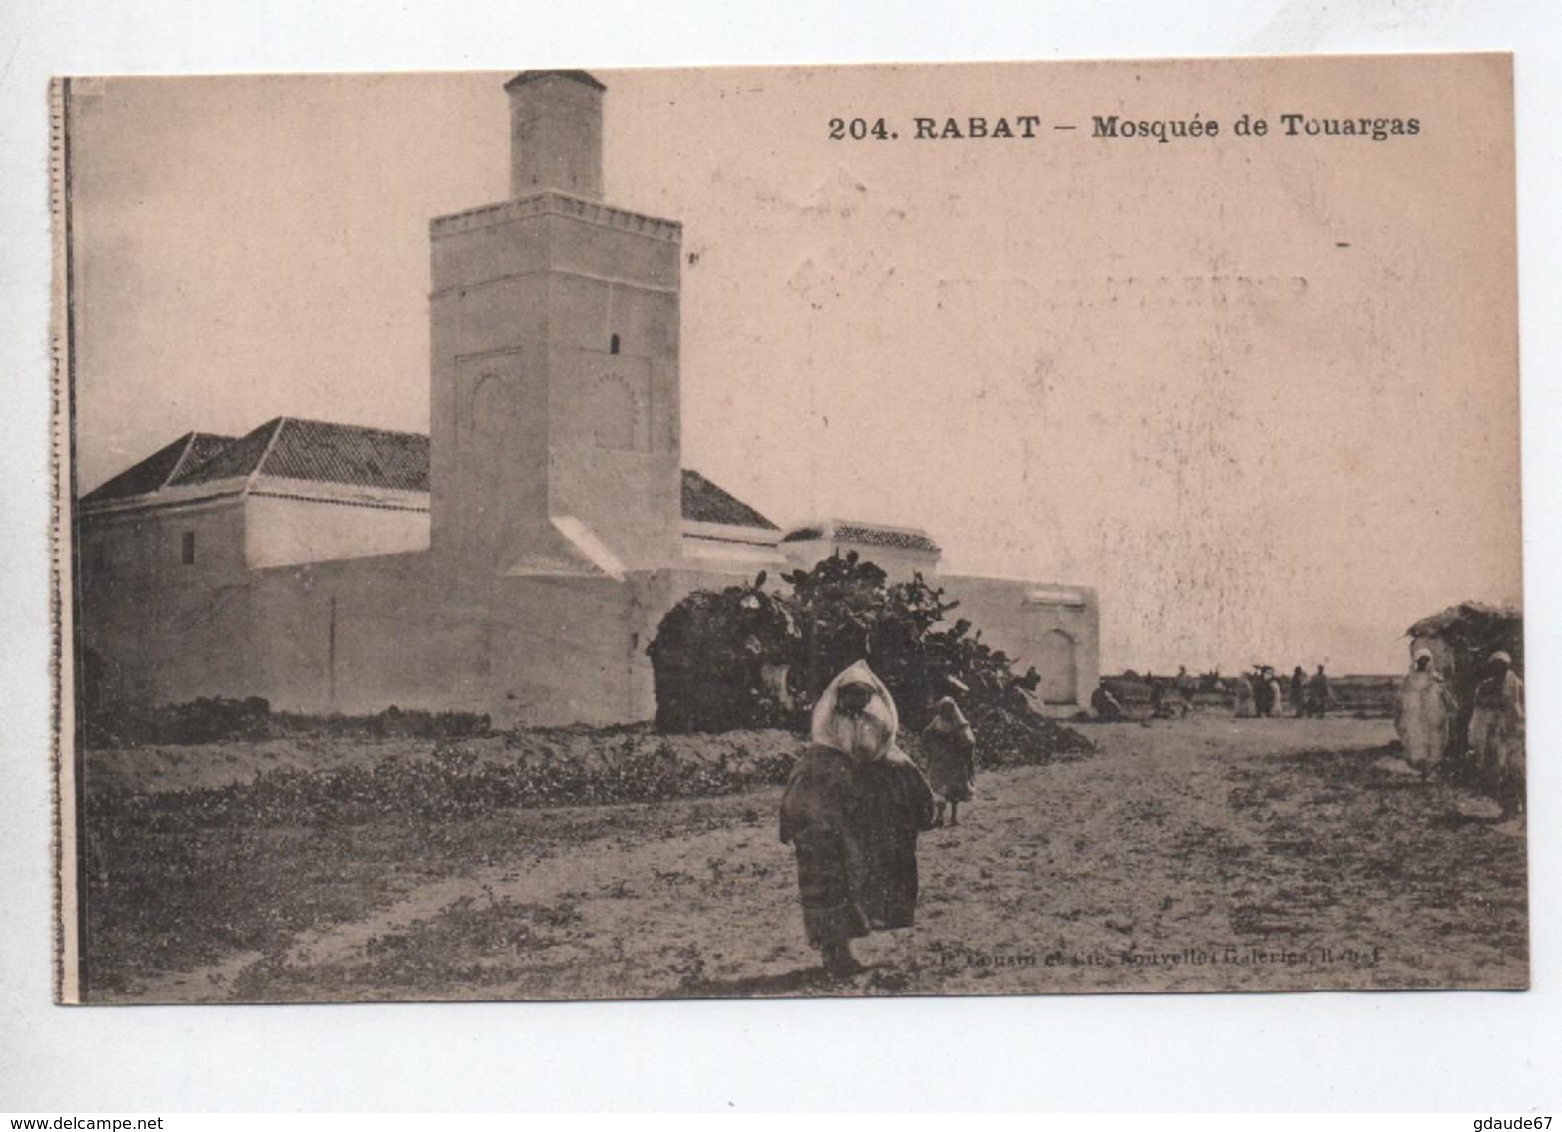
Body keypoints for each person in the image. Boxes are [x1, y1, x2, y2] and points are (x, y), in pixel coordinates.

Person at [779, 662, 935, 976]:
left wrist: (920, 806)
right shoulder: (823, 747)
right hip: (826, 826)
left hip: (862, 819)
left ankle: (844, 950)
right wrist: (794, 821)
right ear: (839, 696)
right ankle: (834, 951)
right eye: (852, 694)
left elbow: (903, 770)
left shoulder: (875, 725)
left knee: (862, 880)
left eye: (865, 694)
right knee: (828, 882)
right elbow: (801, 791)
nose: (859, 701)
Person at [1469, 651, 1525, 820]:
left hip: (1513, 732)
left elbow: (1522, 708)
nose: (1499, 669)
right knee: (1497, 770)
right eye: (1496, 666)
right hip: (1495, 734)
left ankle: (1514, 805)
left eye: (1503, 666)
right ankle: (1508, 805)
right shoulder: (1486, 686)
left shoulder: (1516, 685)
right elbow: (1479, 708)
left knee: (1514, 769)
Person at [1394, 646, 1456, 780]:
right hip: (1415, 716)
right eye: (1421, 660)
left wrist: (1447, 706)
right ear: (1416, 661)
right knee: (1416, 741)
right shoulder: (1409, 679)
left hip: (1433, 714)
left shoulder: (1435, 679)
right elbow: (1401, 697)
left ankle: (1428, 771)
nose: (1423, 663)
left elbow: (1445, 696)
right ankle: (1423, 770)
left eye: (1426, 660)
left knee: (1433, 742)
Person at [923, 696, 976, 827]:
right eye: (943, 709)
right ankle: (940, 817)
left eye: (948, 709)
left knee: (954, 790)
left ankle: (953, 817)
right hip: (941, 759)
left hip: (954, 761)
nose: (945, 711)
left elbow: (968, 741)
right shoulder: (937, 721)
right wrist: (933, 746)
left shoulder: (959, 723)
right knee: (939, 788)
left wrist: (960, 750)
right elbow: (927, 734)